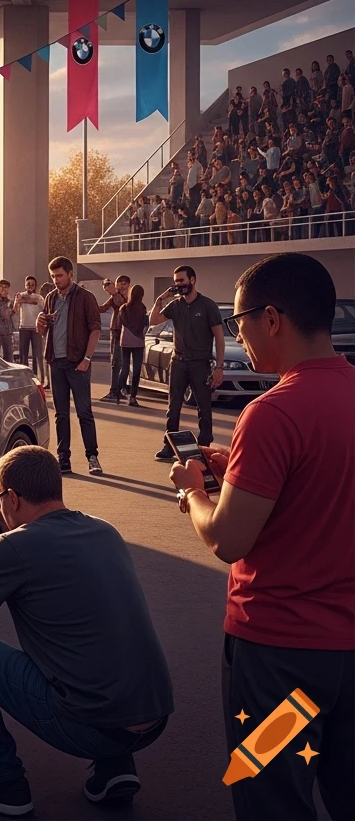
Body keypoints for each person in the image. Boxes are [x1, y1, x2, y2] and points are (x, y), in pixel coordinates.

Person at [169, 253, 353, 821]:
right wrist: (243, 470)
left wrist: (195, 492)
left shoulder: (272, 412)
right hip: (346, 651)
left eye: (239, 318)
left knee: (270, 798)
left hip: (279, 656)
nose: (238, 333)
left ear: (271, 318)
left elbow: (227, 539)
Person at [0, 446, 171, 816]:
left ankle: (3, 782)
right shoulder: (103, 529)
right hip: (154, 716)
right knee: (94, 637)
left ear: (10, 497)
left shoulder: (12, 545)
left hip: (93, 726)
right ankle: (115, 767)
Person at [37, 257, 103, 476]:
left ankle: (92, 456)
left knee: (84, 413)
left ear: (70, 274)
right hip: (57, 363)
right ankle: (63, 457)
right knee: (61, 414)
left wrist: (87, 358)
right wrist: (41, 323)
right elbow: (44, 331)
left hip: (78, 363)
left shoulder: (86, 298)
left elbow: (95, 329)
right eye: (53, 276)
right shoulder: (50, 298)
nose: (56, 280)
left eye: (60, 275)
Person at [150, 266, 225, 459]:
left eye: (181, 281)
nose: (178, 285)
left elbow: (219, 337)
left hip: (200, 363)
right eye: (176, 281)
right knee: (173, 407)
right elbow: (154, 320)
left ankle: (204, 447)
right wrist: (160, 300)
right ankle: (169, 446)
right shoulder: (175, 305)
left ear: (192, 280)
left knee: (204, 407)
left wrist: (219, 367)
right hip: (178, 362)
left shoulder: (207, 305)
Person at [97, 275, 131, 402]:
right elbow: (103, 308)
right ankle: (116, 389)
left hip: (124, 330)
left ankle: (115, 391)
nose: (121, 286)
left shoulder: (129, 296)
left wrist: (114, 292)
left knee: (120, 362)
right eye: (119, 283)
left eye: (124, 283)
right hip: (116, 329)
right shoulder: (115, 296)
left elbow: (123, 305)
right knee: (116, 362)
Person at [116, 285, 148, 407]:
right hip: (138, 341)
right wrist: (138, 333)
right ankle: (133, 397)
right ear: (141, 295)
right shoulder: (142, 308)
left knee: (124, 367)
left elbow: (122, 322)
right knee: (136, 369)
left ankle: (119, 392)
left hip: (125, 340)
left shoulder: (123, 308)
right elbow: (145, 323)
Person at [13, 276, 44, 386]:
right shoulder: (20, 296)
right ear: (25, 285)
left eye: (32, 284)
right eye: (28, 284)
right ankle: (24, 379)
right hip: (24, 328)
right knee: (23, 355)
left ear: (35, 286)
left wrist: (25, 300)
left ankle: (37, 378)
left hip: (36, 329)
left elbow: (37, 303)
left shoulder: (39, 297)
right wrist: (17, 301)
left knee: (37, 355)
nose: (30, 286)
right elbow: (15, 310)